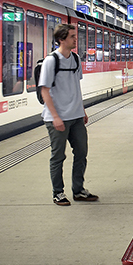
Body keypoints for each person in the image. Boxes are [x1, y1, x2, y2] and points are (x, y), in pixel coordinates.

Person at [39, 23, 98, 206]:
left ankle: (78, 190)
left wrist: (82, 110)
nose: (76, 39)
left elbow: (75, 87)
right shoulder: (51, 61)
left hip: (76, 116)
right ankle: (58, 192)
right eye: (72, 36)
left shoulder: (75, 59)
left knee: (81, 153)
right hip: (57, 118)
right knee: (58, 157)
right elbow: (45, 91)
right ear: (62, 39)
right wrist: (56, 117)